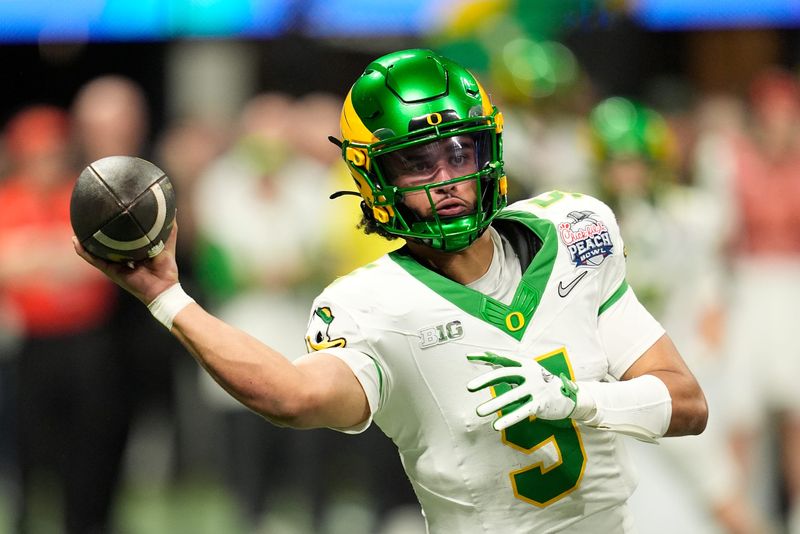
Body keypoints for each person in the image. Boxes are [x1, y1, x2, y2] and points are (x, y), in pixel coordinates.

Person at [72, 49, 708, 533]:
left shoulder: (575, 229)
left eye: (461, 152)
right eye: (416, 162)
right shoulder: (370, 305)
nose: (447, 179)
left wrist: (579, 398)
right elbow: (292, 397)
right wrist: (168, 297)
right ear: (374, 177)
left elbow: (686, 404)